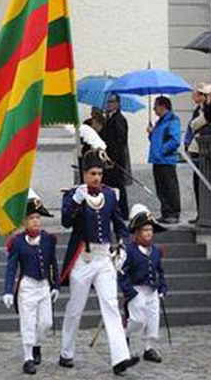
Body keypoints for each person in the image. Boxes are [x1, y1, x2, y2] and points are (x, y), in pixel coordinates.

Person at [59, 149, 139, 376]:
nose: (97, 178)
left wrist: (123, 245)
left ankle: (120, 358)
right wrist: (75, 201)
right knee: (76, 308)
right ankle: (66, 352)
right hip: (82, 259)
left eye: (100, 174)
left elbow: (120, 225)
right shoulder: (73, 194)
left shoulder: (111, 195)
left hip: (104, 257)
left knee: (111, 306)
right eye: (93, 173)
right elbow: (66, 221)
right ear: (84, 174)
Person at [3, 197, 59, 375]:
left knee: (46, 322)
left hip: (43, 285)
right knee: (27, 322)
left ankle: (36, 344)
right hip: (27, 285)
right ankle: (28, 358)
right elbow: (11, 266)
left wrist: (56, 285)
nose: (36, 221)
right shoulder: (18, 242)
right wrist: (7, 291)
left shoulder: (48, 239)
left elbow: (53, 263)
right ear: (24, 222)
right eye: (32, 218)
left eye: (37, 217)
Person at [119, 204, 168, 363]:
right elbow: (122, 273)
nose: (148, 233)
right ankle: (124, 335)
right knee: (138, 319)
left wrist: (162, 287)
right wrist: (129, 291)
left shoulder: (155, 250)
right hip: (136, 289)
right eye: (145, 230)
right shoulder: (129, 250)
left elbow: (159, 271)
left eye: (150, 230)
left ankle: (149, 348)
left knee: (153, 319)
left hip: (152, 290)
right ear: (137, 233)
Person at [147, 96, 181, 225]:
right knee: (161, 188)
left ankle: (174, 213)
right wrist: (151, 133)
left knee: (170, 187)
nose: (154, 109)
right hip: (157, 159)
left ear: (163, 106)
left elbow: (174, 140)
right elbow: (156, 141)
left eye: (155, 106)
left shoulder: (172, 120)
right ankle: (166, 212)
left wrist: (161, 151)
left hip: (166, 160)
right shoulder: (160, 122)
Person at [100, 94, 131, 220]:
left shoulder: (119, 119)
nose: (108, 104)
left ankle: (123, 213)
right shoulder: (108, 118)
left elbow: (120, 141)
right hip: (108, 159)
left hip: (115, 160)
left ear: (117, 104)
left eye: (111, 102)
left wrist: (114, 159)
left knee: (118, 186)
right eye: (107, 102)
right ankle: (112, 212)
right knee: (109, 186)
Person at [184, 83, 210, 224]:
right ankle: (200, 214)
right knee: (197, 184)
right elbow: (191, 127)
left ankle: (205, 214)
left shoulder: (208, 109)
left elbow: (195, 125)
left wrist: (195, 123)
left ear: (202, 96)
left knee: (204, 184)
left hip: (205, 151)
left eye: (195, 94)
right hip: (195, 150)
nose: (193, 97)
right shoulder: (196, 110)